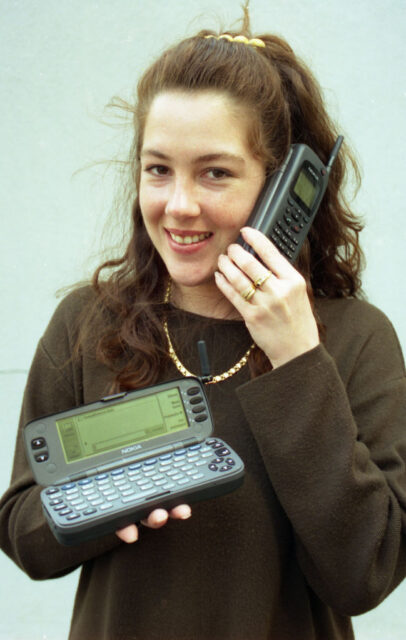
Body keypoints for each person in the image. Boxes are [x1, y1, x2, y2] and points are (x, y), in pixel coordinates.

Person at [1, 10, 406, 640]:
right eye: (158, 169)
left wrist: (298, 360)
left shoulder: (356, 339)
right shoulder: (85, 322)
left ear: (277, 186)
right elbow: (24, 533)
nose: (179, 205)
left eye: (215, 172)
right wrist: (111, 501)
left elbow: (364, 573)